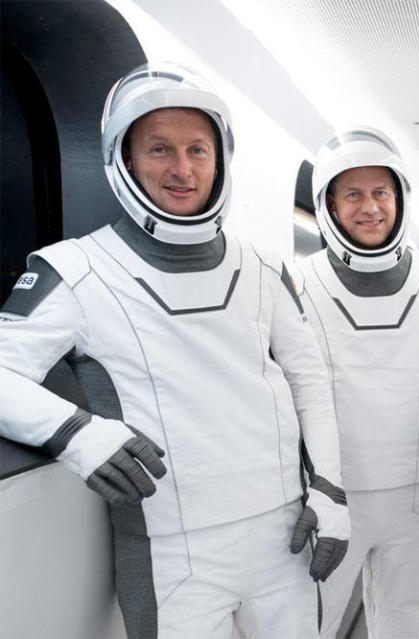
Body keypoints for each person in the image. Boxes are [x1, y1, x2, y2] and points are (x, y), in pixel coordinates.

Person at [0, 62, 349, 638]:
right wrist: (76, 432)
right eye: (160, 149)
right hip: (172, 550)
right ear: (126, 159)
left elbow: (310, 381)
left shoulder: (261, 267)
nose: (182, 170)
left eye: (197, 150)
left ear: (220, 161)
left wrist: (332, 491)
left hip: (285, 535)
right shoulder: (77, 269)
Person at [292, 127, 419, 638]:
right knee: (310, 624)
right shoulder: (297, 282)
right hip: (328, 496)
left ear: (400, 198)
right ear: (329, 205)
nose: (370, 207)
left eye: (380, 193)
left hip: (414, 496)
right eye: (353, 194)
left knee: (407, 623)